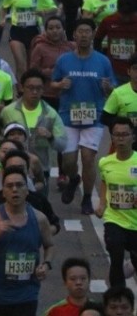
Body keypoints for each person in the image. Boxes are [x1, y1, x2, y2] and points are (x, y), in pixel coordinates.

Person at [0, 166, 56, 316]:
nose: (14, 189)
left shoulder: (39, 218)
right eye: (9, 186)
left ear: (27, 190)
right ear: (3, 192)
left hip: (27, 295)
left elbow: (50, 245)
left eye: (19, 185)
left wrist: (46, 264)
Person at [52, 18, 115, 214]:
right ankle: (73, 179)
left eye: (88, 31)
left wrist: (107, 87)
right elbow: (52, 84)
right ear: (74, 35)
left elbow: (111, 87)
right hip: (68, 116)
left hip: (93, 117)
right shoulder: (63, 60)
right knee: (69, 161)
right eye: (80, 31)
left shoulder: (103, 61)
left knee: (88, 158)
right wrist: (60, 85)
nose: (84, 35)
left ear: (93, 34)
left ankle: (87, 198)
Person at [96, 117, 137, 288]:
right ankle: (117, 295)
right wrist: (102, 203)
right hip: (114, 218)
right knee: (116, 253)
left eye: (125, 134)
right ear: (112, 137)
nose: (121, 139)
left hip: (135, 222)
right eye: (117, 135)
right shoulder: (105, 162)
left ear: (133, 137)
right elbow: (105, 181)